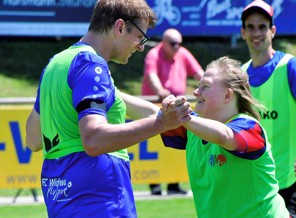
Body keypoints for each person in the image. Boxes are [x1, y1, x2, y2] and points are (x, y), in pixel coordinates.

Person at [25, 1, 191, 217]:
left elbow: (33, 139)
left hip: (62, 199)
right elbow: (94, 139)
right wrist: (160, 123)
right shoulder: (91, 65)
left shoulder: (56, 65)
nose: (141, 46)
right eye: (140, 37)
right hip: (99, 201)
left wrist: (179, 117)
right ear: (120, 27)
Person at [160, 56, 290, 218]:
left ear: (227, 96)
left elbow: (225, 136)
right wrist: (118, 96)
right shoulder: (195, 127)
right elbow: (153, 115)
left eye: (205, 86)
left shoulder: (249, 127)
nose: (195, 92)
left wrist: (182, 117)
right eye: (198, 86)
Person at [240, 1, 296, 217]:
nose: (256, 32)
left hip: (287, 181)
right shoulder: (240, 75)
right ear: (242, 32)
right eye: (250, 26)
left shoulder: (289, 66)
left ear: (272, 31)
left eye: (262, 26)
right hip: (253, 183)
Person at [141, 28, 204, 195]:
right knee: (155, 146)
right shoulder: (154, 54)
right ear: (163, 42)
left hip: (176, 107)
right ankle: (153, 183)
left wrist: (208, 88)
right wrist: (160, 90)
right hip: (156, 107)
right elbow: (151, 75)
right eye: (173, 44)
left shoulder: (183, 53)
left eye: (179, 43)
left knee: (176, 144)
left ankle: (173, 184)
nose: (177, 47)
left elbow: (199, 73)